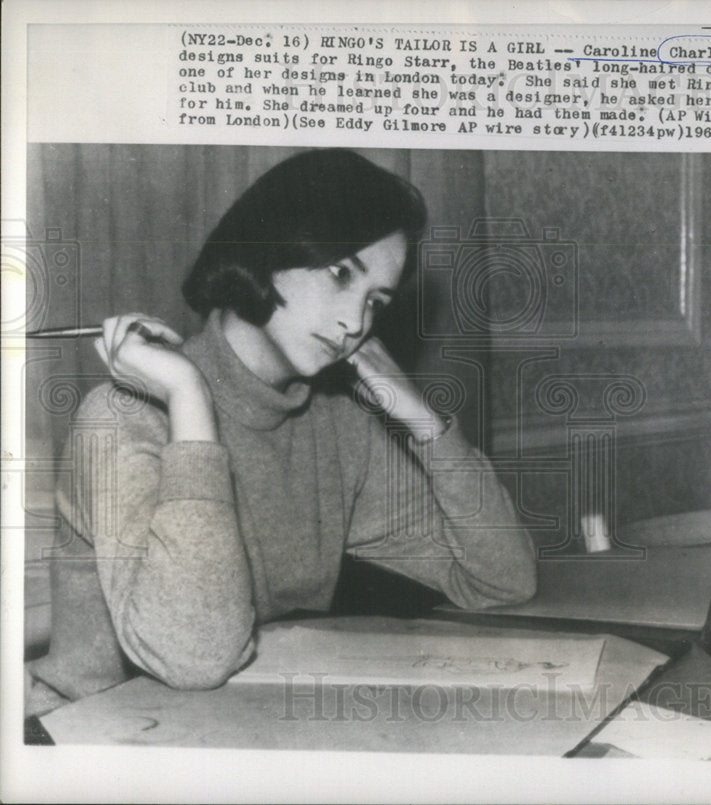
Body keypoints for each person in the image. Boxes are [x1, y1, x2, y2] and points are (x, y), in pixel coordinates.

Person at [27, 149, 537, 712]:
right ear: (268, 247)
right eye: (341, 274)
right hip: (86, 733)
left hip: (231, 724)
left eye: (376, 301)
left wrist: (425, 423)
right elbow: (193, 657)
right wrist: (190, 398)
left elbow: (501, 579)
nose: (355, 322)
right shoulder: (121, 416)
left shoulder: (335, 424)